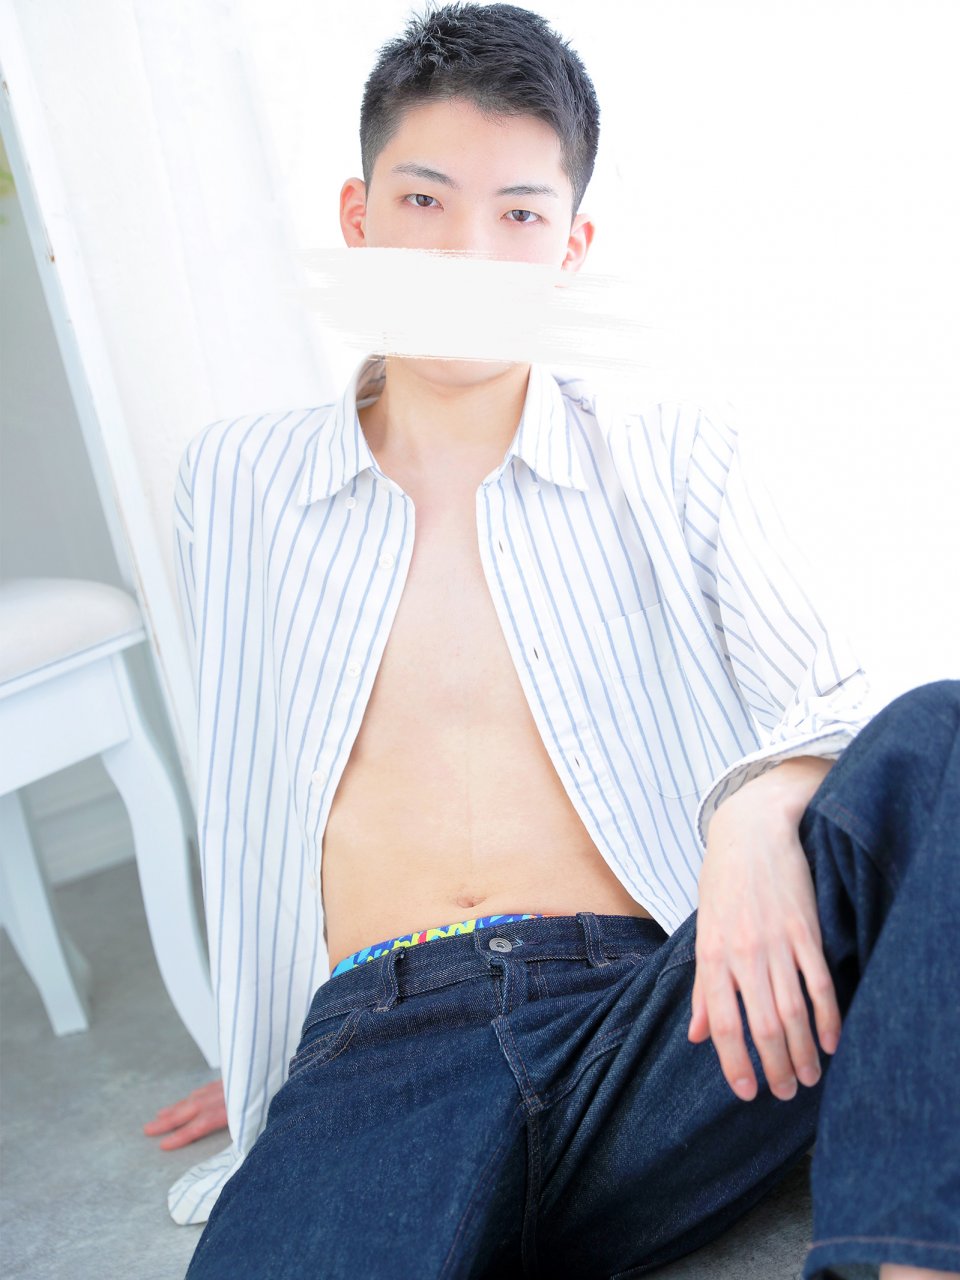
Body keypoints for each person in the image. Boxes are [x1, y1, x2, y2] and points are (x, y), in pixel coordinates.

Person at [154, 3, 960, 1277]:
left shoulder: (670, 454)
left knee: (943, 735)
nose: (468, 254)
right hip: (382, 1044)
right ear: (358, 221)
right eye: (425, 201)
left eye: (519, 215)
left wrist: (752, 809)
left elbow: (844, 702)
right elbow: (259, 776)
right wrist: (266, 1051)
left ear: (570, 249)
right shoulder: (237, 481)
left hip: (664, 1022)